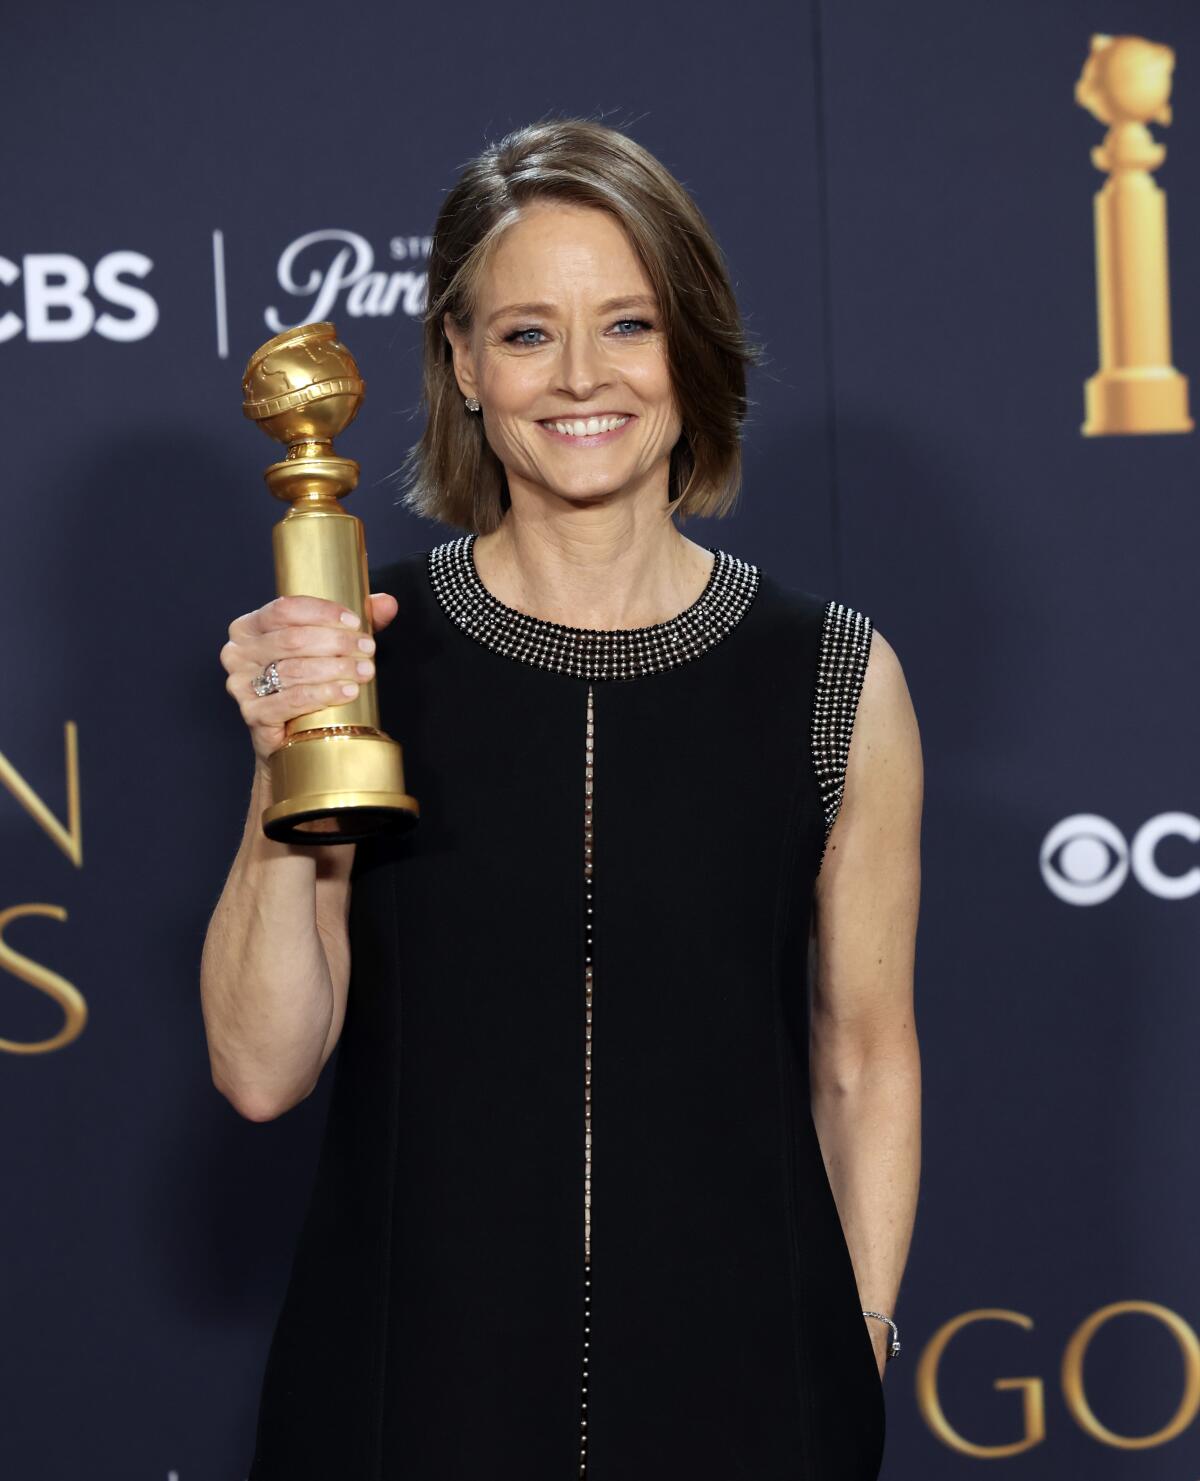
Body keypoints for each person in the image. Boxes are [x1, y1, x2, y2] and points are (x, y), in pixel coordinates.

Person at [201, 117, 923, 1481]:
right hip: (404, 1407)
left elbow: (865, 1052)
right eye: (528, 333)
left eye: (630, 325)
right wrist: (279, 767)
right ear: (463, 366)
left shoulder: (835, 675)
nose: (581, 376)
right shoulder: (368, 652)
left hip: (751, 1411)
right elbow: (260, 1067)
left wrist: (859, 1334)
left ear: (690, 353)